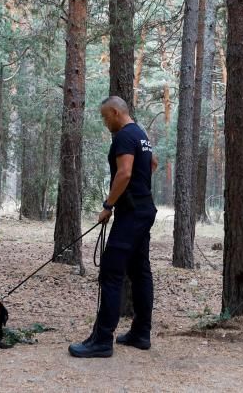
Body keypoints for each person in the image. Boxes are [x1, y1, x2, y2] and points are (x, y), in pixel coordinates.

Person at [68, 96, 158, 358]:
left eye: (106, 116)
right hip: (144, 209)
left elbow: (125, 172)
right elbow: (151, 163)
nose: (105, 121)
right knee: (140, 271)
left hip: (131, 214)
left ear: (117, 112)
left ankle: (102, 340)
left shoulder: (123, 136)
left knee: (110, 271)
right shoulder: (140, 134)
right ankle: (141, 333)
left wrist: (109, 204)